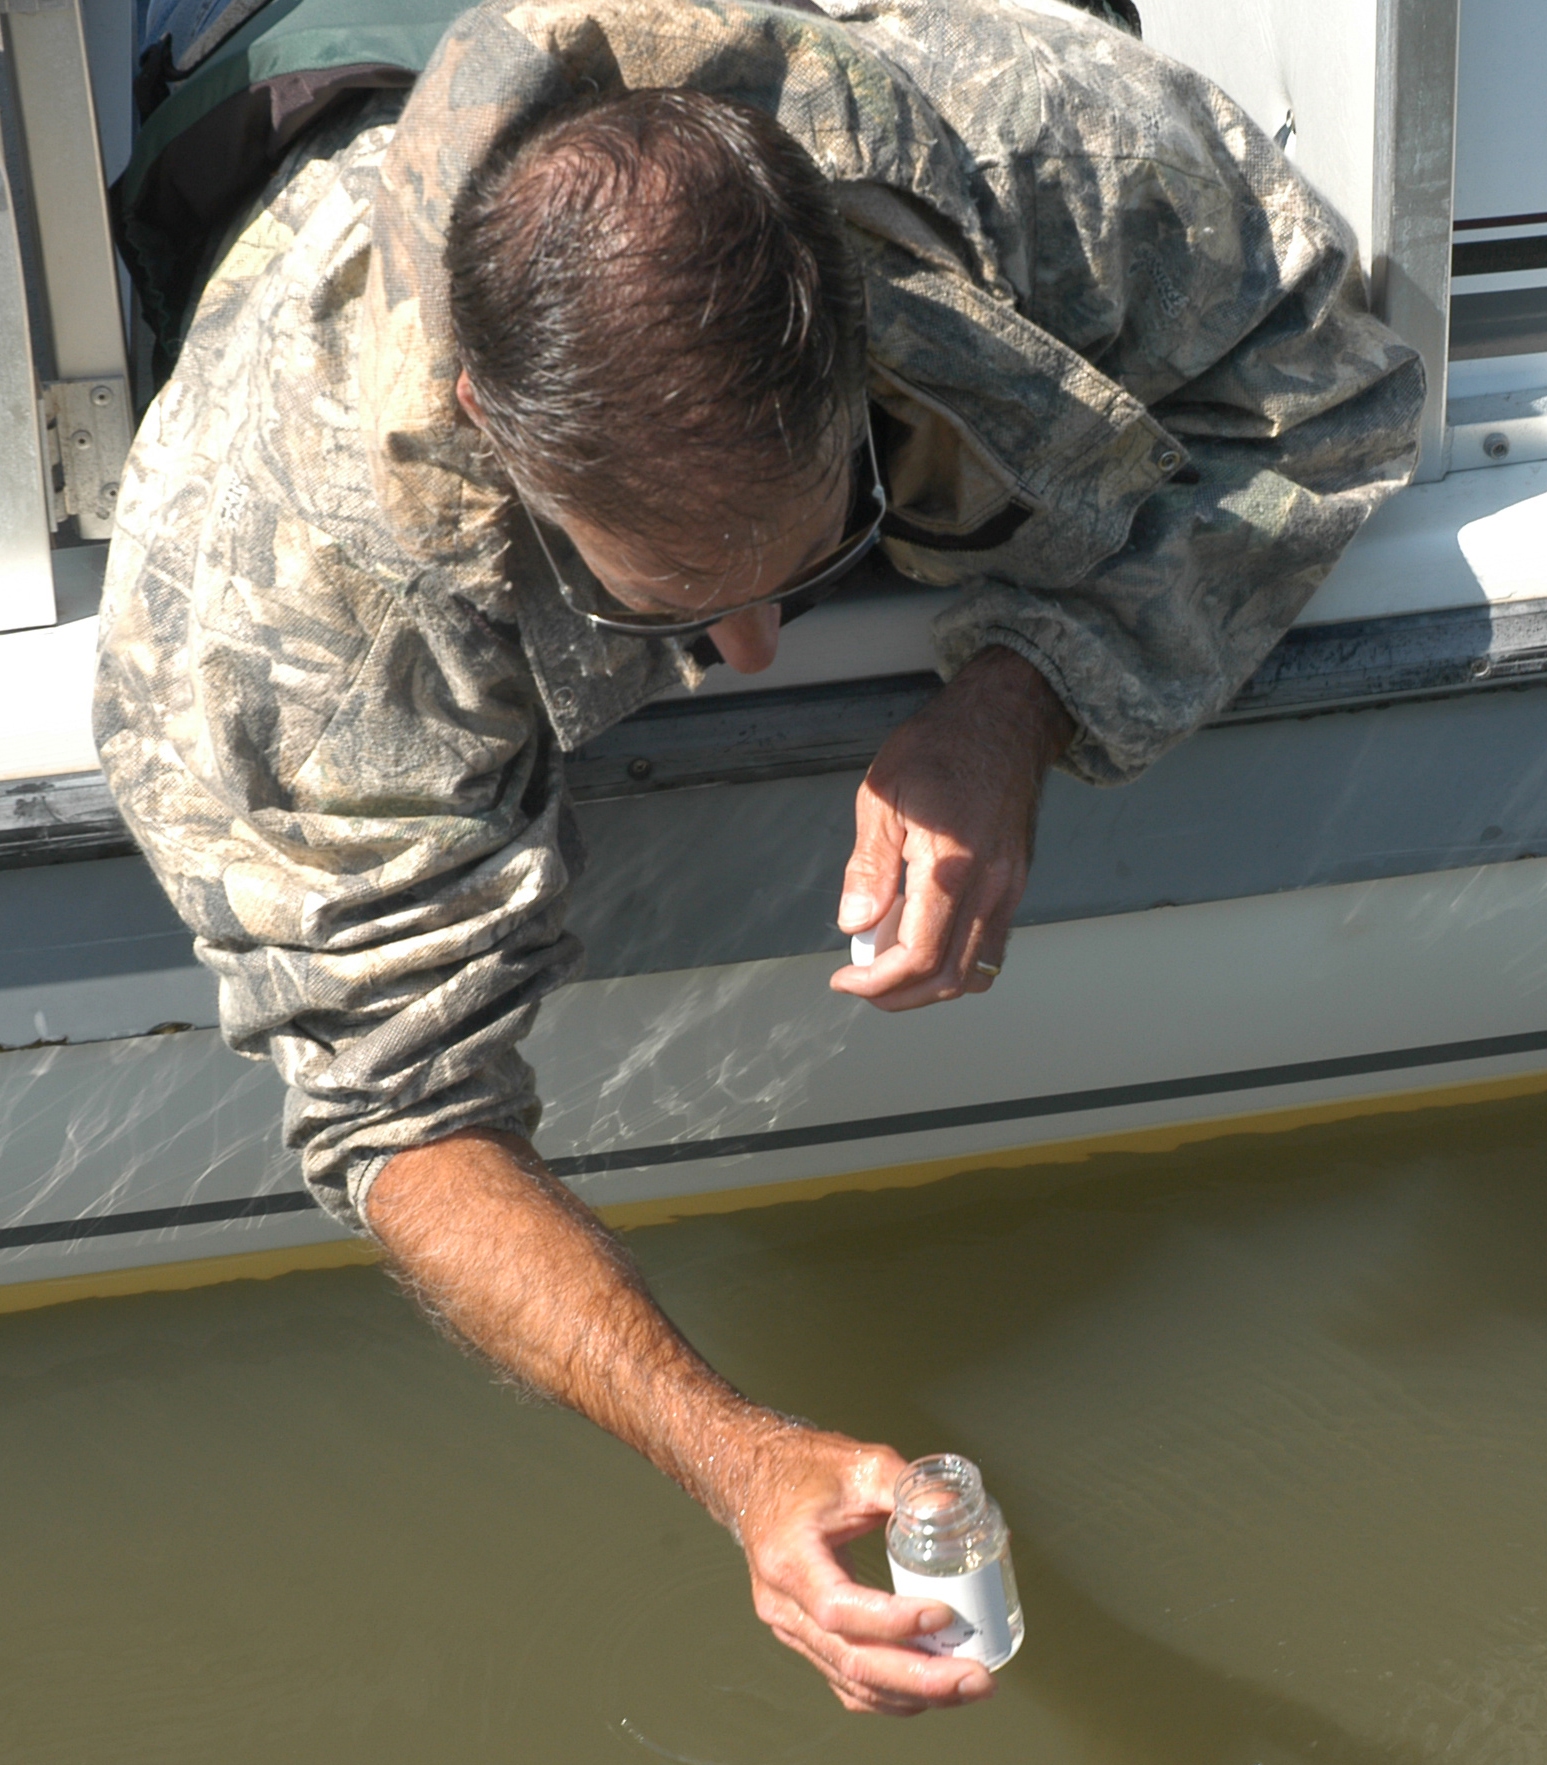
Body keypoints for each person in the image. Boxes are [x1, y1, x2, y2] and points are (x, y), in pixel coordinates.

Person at [94, 0, 1421, 1716]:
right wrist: (730, 1454)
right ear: (494, 429)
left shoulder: (1035, 156)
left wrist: (1020, 693)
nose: (753, 659)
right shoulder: (283, 558)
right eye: (657, 599)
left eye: (818, 549)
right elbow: (395, 1109)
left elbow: (1320, 397)